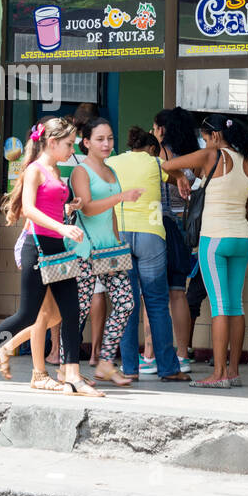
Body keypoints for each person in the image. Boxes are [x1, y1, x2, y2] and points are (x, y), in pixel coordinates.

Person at [0, 117, 101, 396]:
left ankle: (72, 375)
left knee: (72, 312)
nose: (71, 150)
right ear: (51, 142)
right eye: (68, 144)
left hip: (58, 249)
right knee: (27, 315)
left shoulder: (56, 171)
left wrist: (68, 211)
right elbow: (28, 209)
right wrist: (62, 226)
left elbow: (49, 208)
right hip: (37, 249)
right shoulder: (35, 171)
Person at [163, 113, 248, 387]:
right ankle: (233, 372)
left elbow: (166, 165)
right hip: (241, 238)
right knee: (235, 305)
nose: (204, 142)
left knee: (218, 307)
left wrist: (181, 177)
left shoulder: (209, 156)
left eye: (205, 137)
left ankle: (218, 375)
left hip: (214, 238)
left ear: (215, 136)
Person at [107, 127, 191, 382]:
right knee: (155, 302)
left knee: (126, 303)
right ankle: (168, 369)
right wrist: (180, 179)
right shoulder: (156, 163)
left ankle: (129, 368)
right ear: (153, 148)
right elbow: (176, 173)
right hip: (151, 235)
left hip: (119, 235)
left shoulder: (113, 162)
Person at [68, 118, 143, 385]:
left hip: (109, 248)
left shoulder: (112, 171)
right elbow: (87, 208)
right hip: (85, 250)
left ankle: (106, 363)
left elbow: (110, 212)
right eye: (100, 139)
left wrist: (117, 241)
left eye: (110, 138)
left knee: (126, 303)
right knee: (79, 311)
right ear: (86, 142)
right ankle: (70, 370)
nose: (107, 144)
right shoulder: (80, 172)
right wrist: (121, 197)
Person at [153, 106, 199, 370]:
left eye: (155, 127)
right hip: (186, 227)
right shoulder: (193, 155)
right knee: (178, 292)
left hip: (161, 225)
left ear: (161, 130)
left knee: (156, 293)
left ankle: (154, 355)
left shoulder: (162, 154)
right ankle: (183, 355)